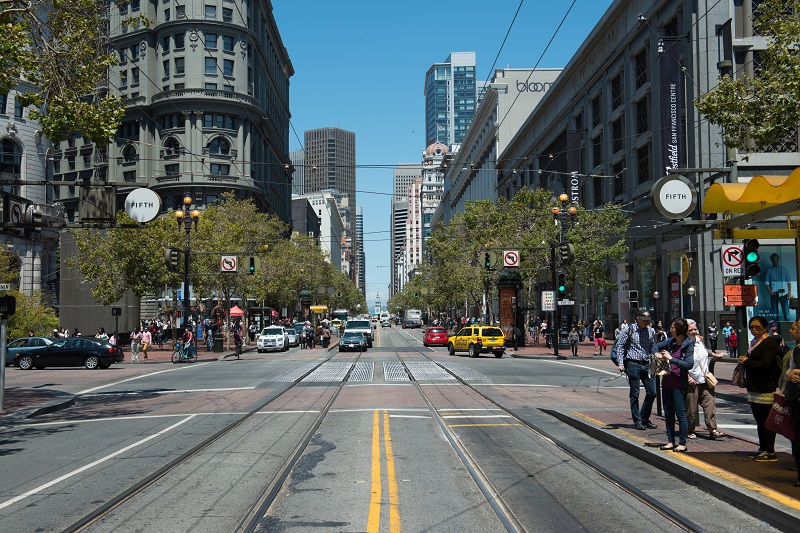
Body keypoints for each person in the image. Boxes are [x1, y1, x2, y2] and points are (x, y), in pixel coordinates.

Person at [740, 315, 782, 462]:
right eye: (752, 327)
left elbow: (765, 365)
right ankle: (763, 448)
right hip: (753, 387)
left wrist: (747, 361)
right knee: (759, 420)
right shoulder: (754, 342)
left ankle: (770, 450)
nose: (754, 329)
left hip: (765, 387)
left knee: (766, 421)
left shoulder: (769, 343)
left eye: (757, 327)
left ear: (765, 328)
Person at [653, 318, 694, 452]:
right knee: (668, 413)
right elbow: (655, 346)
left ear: (679, 330)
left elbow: (689, 364)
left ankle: (682, 443)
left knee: (681, 414)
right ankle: (671, 441)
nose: (670, 330)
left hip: (679, 384)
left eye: (672, 327)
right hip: (667, 382)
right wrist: (657, 353)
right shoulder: (671, 342)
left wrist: (672, 358)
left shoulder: (688, 344)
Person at [614, 309, 657, 430]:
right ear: (637, 318)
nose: (646, 323)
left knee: (652, 392)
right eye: (644, 320)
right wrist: (621, 363)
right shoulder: (629, 329)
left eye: (648, 320)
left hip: (647, 364)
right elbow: (620, 346)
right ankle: (637, 420)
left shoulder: (651, 330)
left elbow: (652, 346)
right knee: (635, 393)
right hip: (633, 364)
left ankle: (644, 417)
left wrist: (656, 355)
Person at [685, 319, 722, 439]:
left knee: (710, 405)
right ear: (685, 331)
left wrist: (715, 355)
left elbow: (704, 352)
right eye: (690, 330)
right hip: (692, 381)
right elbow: (678, 362)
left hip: (705, 380)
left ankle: (713, 429)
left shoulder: (700, 340)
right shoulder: (683, 344)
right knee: (691, 410)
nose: (694, 331)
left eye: (695, 329)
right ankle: (690, 430)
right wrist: (687, 377)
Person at [780, 318, 800, 487]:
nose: (791, 330)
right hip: (794, 397)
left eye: (794, 328)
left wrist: (794, 372)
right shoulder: (796, 349)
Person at [766, 253, 793, 322]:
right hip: (774, 293)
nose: (775, 261)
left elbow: (789, 281)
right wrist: (770, 292)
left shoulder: (784, 269)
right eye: (773, 260)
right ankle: (775, 330)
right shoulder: (770, 270)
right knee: (774, 313)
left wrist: (789, 292)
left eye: (776, 259)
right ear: (771, 260)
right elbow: (767, 283)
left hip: (783, 294)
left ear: (778, 260)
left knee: (786, 312)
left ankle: (787, 328)